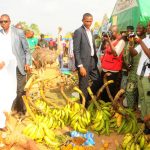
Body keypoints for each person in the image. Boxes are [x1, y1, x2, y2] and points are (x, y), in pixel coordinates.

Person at [0, 14, 31, 115]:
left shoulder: (18, 33)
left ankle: (21, 110)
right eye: (1, 22)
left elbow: (27, 50)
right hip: (5, 67)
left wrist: (27, 63)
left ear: (9, 22)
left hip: (19, 65)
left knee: (20, 89)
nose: (3, 23)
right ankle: (10, 109)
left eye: (5, 21)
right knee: (8, 88)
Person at [73, 13, 101, 107]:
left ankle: (88, 97)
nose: (89, 23)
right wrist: (80, 66)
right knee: (83, 85)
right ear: (83, 21)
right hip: (84, 63)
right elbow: (76, 50)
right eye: (87, 21)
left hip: (93, 61)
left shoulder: (91, 31)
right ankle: (83, 106)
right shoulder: (78, 31)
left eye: (90, 21)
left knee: (98, 81)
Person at [129, 21, 150, 134]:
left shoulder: (144, 41)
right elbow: (134, 53)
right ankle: (143, 119)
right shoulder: (146, 40)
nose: (148, 28)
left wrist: (141, 42)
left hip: (148, 76)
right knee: (142, 99)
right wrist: (131, 45)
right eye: (147, 26)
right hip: (140, 74)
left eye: (149, 26)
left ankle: (149, 125)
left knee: (148, 101)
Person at [100, 25, 125, 101]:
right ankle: (103, 105)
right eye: (110, 31)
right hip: (104, 69)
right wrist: (105, 41)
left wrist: (109, 41)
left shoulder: (121, 42)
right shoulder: (111, 40)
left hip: (112, 71)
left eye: (112, 31)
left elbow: (115, 53)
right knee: (103, 90)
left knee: (110, 91)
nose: (110, 33)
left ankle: (110, 107)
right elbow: (103, 51)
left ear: (117, 32)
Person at [124, 24, 146, 109]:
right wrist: (127, 63)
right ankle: (130, 109)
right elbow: (127, 54)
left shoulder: (146, 41)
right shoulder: (133, 40)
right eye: (137, 28)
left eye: (140, 28)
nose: (138, 29)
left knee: (142, 92)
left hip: (144, 71)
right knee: (130, 90)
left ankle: (141, 111)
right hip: (133, 69)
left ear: (144, 30)